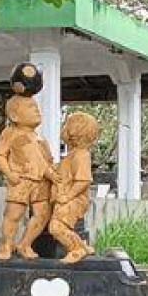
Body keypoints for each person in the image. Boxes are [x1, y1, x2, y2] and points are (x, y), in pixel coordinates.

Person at [0, 93, 55, 260]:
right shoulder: (10, 133)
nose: (36, 110)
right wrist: (9, 174)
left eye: (37, 107)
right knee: (13, 215)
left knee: (43, 215)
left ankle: (25, 243)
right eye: (31, 107)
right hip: (21, 180)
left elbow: (48, 161)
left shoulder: (40, 138)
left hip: (41, 182)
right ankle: (6, 244)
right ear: (14, 115)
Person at [49, 112, 100, 264]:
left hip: (73, 199)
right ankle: (81, 245)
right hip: (64, 197)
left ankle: (76, 249)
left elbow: (83, 181)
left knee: (56, 228)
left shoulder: (81, 155)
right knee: (63, 227)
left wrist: (67, 196)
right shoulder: (73, 155)